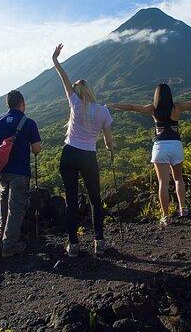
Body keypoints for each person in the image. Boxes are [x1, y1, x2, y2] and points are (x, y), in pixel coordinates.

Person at [109, 84, 191, 226]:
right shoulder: (177, 107)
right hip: (175, 145)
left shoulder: (152, 109)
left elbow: (131, 107)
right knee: (179, 179)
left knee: (163, 183)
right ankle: (183, 209)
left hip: (160, 147)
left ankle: (165, 216)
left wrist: (113, 105)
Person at [52, 43, 114, 258]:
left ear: (77, 92)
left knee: (71, 200)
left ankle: (73, 245)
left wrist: (56, 60)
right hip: (89, 156)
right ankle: (99, 242)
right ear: (91, 90)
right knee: (95, 199)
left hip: (69, 154)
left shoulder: (75, 105)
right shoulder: (103, 111)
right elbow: (108, 139)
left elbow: (64, 79)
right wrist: (110, 149)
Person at [0, 90, 42, 257]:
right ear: (22, 103)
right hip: (20, 172)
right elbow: (37, 148)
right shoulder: (28, 123)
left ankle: (3, 232)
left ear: (8, 104)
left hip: (2, 172)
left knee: (4, 203)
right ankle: (9, 245)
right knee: (16, 207)